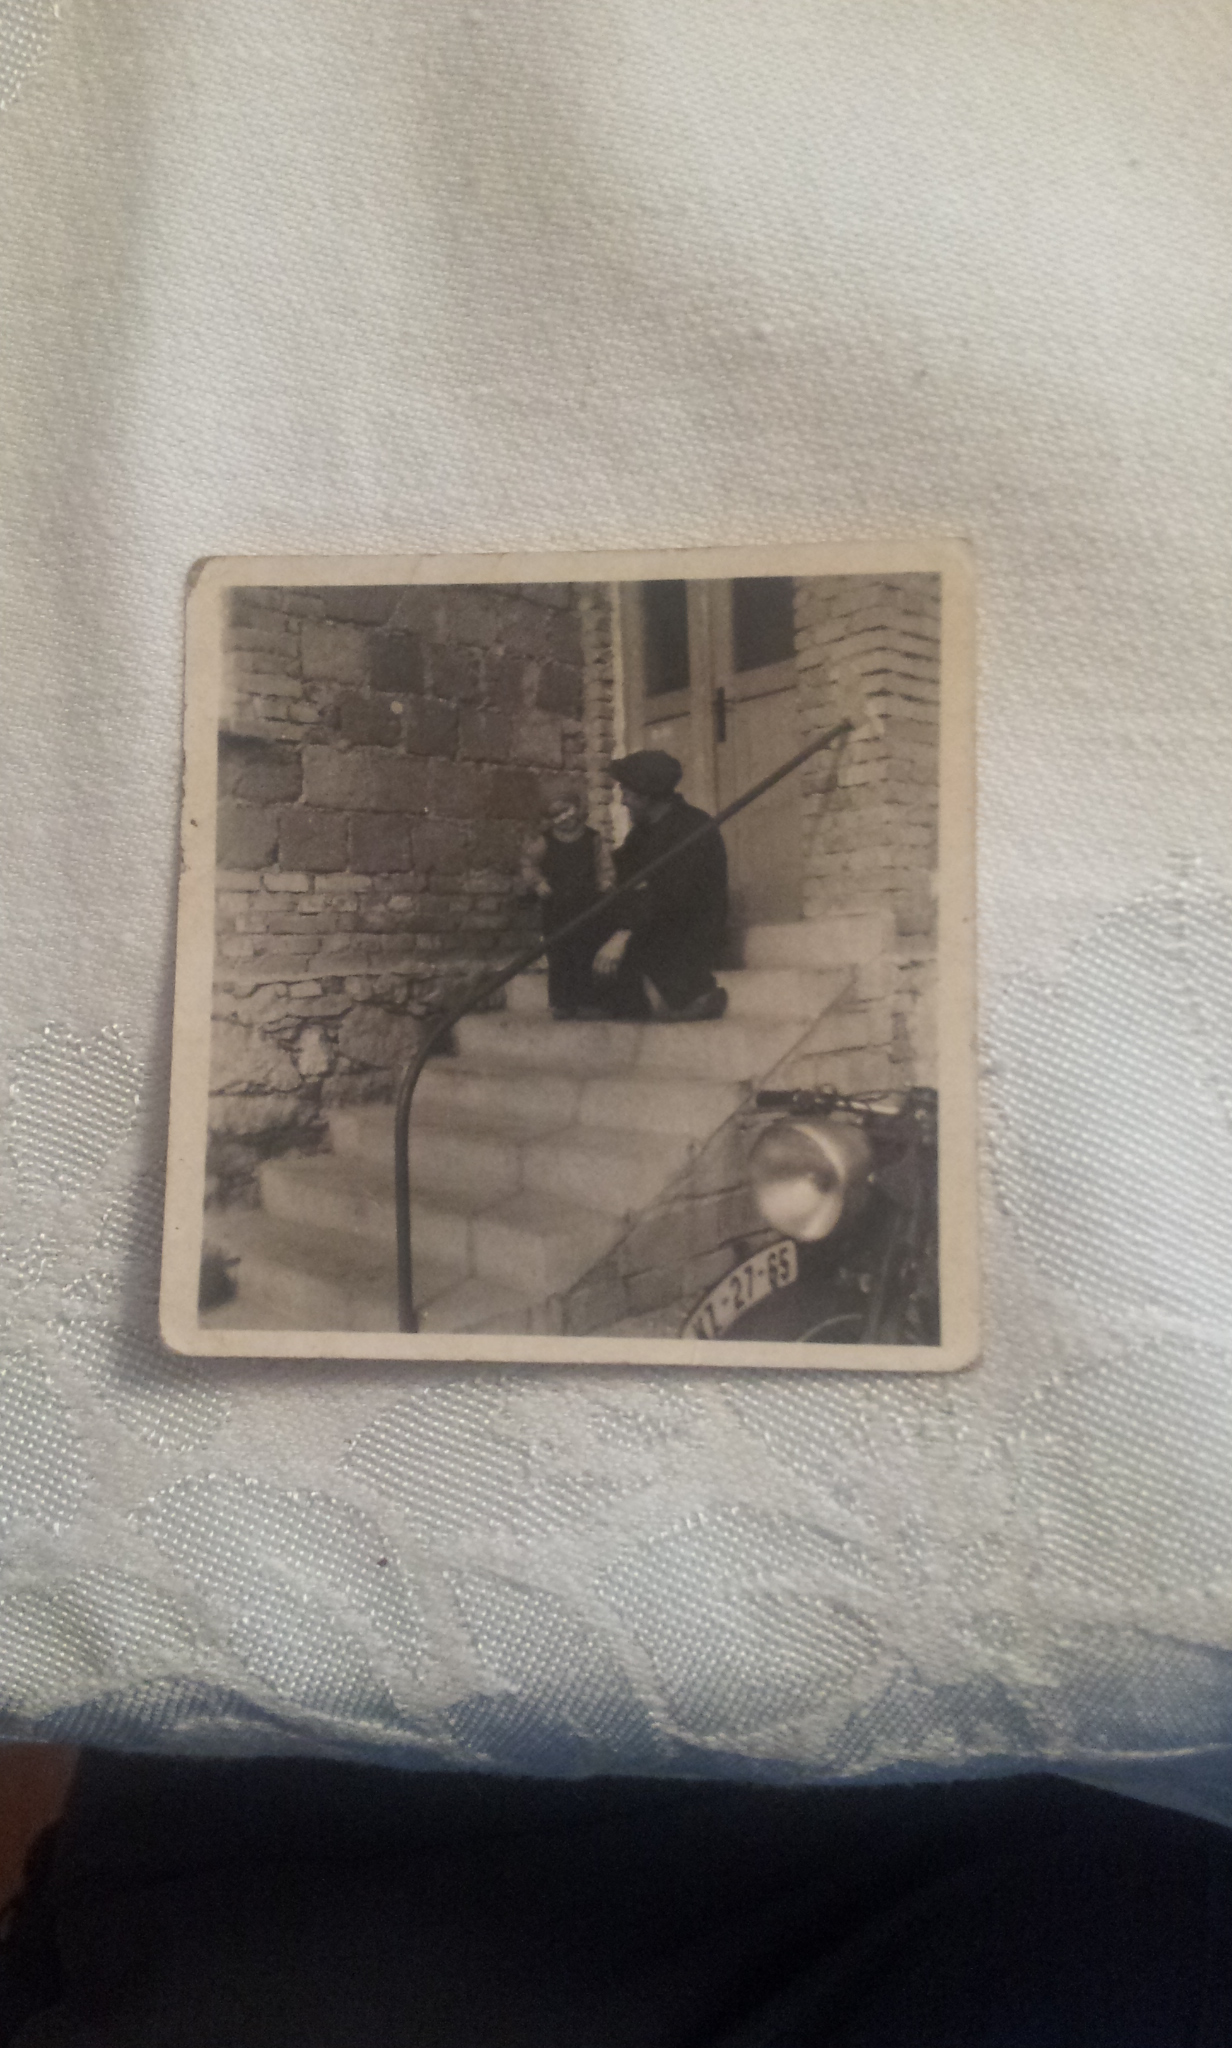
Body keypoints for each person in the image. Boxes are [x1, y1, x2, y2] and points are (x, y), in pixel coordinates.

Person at [594, 750, 729, 1022]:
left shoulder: (693, 827)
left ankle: (697, 995)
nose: (623, 801)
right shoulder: (642, 832)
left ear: (647, 795)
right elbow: (626, 881)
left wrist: (624, 932)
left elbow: (674, 894)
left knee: (649, 935)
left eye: (627, 793)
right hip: (652, 914)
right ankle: (625, 1003)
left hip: (691, 924)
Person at [518, 795, 603, 1021]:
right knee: (559, 952)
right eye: (556, 816)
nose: (563, 818)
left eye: (567, 811)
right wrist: (538, 882)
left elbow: (603, 865)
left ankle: (587, 1001)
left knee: (586, 950)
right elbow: (529, 864)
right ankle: (562, 1002)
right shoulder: (544, 840)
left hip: (587, 903)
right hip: (556, 905)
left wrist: (606, 883)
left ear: (577, 809)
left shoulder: (593, 838)